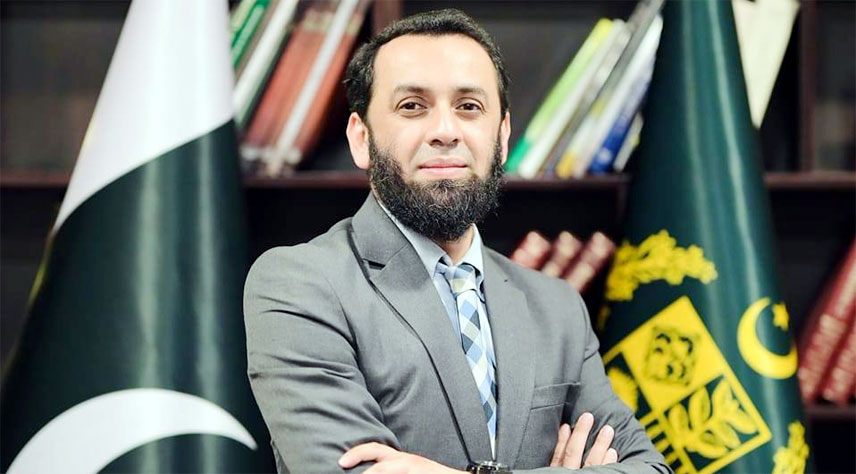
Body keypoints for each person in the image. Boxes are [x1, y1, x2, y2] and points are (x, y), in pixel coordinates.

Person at [244, 9, 671, 474]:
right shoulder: (299, 285)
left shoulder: (557, 306)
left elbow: (649, 468)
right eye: (412, 106)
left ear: (502, 137)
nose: (445, 131)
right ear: (361, 138)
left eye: (469, 107)